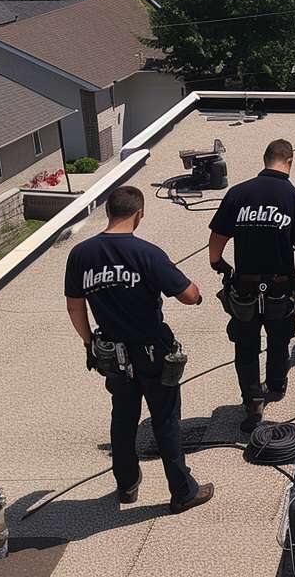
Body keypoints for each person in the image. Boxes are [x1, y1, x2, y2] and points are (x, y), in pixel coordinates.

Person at [64, 186, 214, 514]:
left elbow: (75, 307)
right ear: (139, 214)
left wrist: (91, 343)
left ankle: (127, 484)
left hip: (112, 353)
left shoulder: (80, 255)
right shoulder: (146, 253)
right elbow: (188, 295)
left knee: (123, 418)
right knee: (165, 420)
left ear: (109, 212)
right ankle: (182, 492)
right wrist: (198, 294)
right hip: (152, 350)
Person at [208, 138, 295, 433]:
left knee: (245, 346)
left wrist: (217, 263)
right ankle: (276, 385)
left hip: (244, 288)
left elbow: (217, 237)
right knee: (279, 340)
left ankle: (252, 398)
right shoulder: (294, 198)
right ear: (290, 162)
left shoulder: (238, 193)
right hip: (280, 289)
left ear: (266, 158)